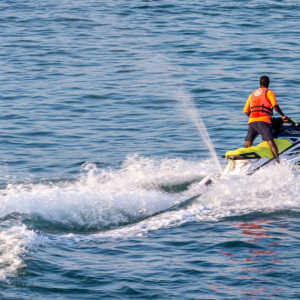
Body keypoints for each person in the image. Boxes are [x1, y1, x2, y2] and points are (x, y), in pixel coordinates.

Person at [243, 76, 289, 162]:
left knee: (247, 144)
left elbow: (245, 110)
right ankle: (278, 162)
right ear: (268, 83)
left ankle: (241, 162)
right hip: (263, 121)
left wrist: (253, 117)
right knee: (271, 143)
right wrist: (283, 115)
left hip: (252, 121)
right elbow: (275, 106)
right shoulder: (269, 92)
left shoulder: (252, 94)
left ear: (259, 84)